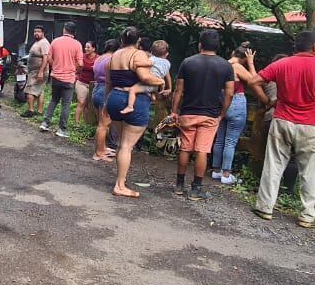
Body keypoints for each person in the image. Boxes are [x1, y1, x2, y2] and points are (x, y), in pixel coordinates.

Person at [249, 31, 315, 227]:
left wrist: (267, 101)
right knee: (310, 170)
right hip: (311, 124)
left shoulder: (282, 64)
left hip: (282, 120)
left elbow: (253, 81)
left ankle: (265, 207)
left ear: (296, 47)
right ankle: (307, 214)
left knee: (274, 164)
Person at [170, 29, 233, 201]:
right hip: (211, 114)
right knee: (202, 151)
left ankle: (179, 185)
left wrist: (174, 111)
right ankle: (196, 189)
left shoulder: (188, 62)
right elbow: (229, 94)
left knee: (185, 148)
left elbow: (178, 90)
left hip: (188, 112)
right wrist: (222, 113)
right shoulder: (225, 65)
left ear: (200, 44)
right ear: (217, 46)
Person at [104, 28, 166, 198]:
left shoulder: (114, 55)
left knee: (121, 143)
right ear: (138, 41)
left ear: (121, 39)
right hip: (133, 100)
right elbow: (145, 77)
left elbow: (108, 82)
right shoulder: (137, 54)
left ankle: (120, 180)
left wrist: (105, 103)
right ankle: (120, 185)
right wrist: (161, 81)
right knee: (126, 146)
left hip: (114, 98)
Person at [211, 44, 269, 185]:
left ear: (232, 52)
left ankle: (216, 170)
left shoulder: (221, 64)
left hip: (221, 103)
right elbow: (255, 80)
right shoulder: (237, 67)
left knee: (219, 139)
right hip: (235, 103)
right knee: (230, 141)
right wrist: (251, 63)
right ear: (244, 58)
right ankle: (226, 173)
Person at [40, 22, 83, 137]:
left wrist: (55, 66)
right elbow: (80, 63)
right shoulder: (77, 44)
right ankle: (62, 129)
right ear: (74, 32)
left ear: (64, 29)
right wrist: (74, 71)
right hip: (68, 79)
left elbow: (49, 58)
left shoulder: (55, 41)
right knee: (66, 104)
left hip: (55, 77)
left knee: (54, 100)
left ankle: (45, 123)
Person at [120, 40, 172, 115]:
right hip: (157, 85)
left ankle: (130, 106)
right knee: (151, 91)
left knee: (133, 90)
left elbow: (146, 64)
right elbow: (166, 73)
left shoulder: (152, 59)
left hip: (150, 83)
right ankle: (153, 97)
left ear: (151, 52)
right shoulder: (167, 63)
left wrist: (136, 63)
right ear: (167, 54)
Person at [91, 39, 119, 162]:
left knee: (101, 124)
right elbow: (111, 79)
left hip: (96, 89)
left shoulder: (99, 58)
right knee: (104, 125)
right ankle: (99, 153)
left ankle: (102, 147)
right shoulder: (112, 59)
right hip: (105, 91)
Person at [21, 26, 50, 117]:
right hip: (35, 71)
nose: (36, 33)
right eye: (35, 31)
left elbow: (46, 58)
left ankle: (31, 110)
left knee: (30, 90)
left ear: (43, 33)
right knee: (40, 91)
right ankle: (40, 111)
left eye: (38, 31)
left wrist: (41, 71)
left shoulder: (44, 43)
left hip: (38, 72)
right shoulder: (38, 42)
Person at [75, 41, 98, 121]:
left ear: (93, 49)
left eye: (88, 47)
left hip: (93, 85)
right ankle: (76, 123)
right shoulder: (82, 57)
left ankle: (86, 121)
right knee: (81, 102)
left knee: (89, 104)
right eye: (85, 47)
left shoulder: (98, 58)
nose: (86, 49)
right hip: (81, 82)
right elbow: (76, 68)